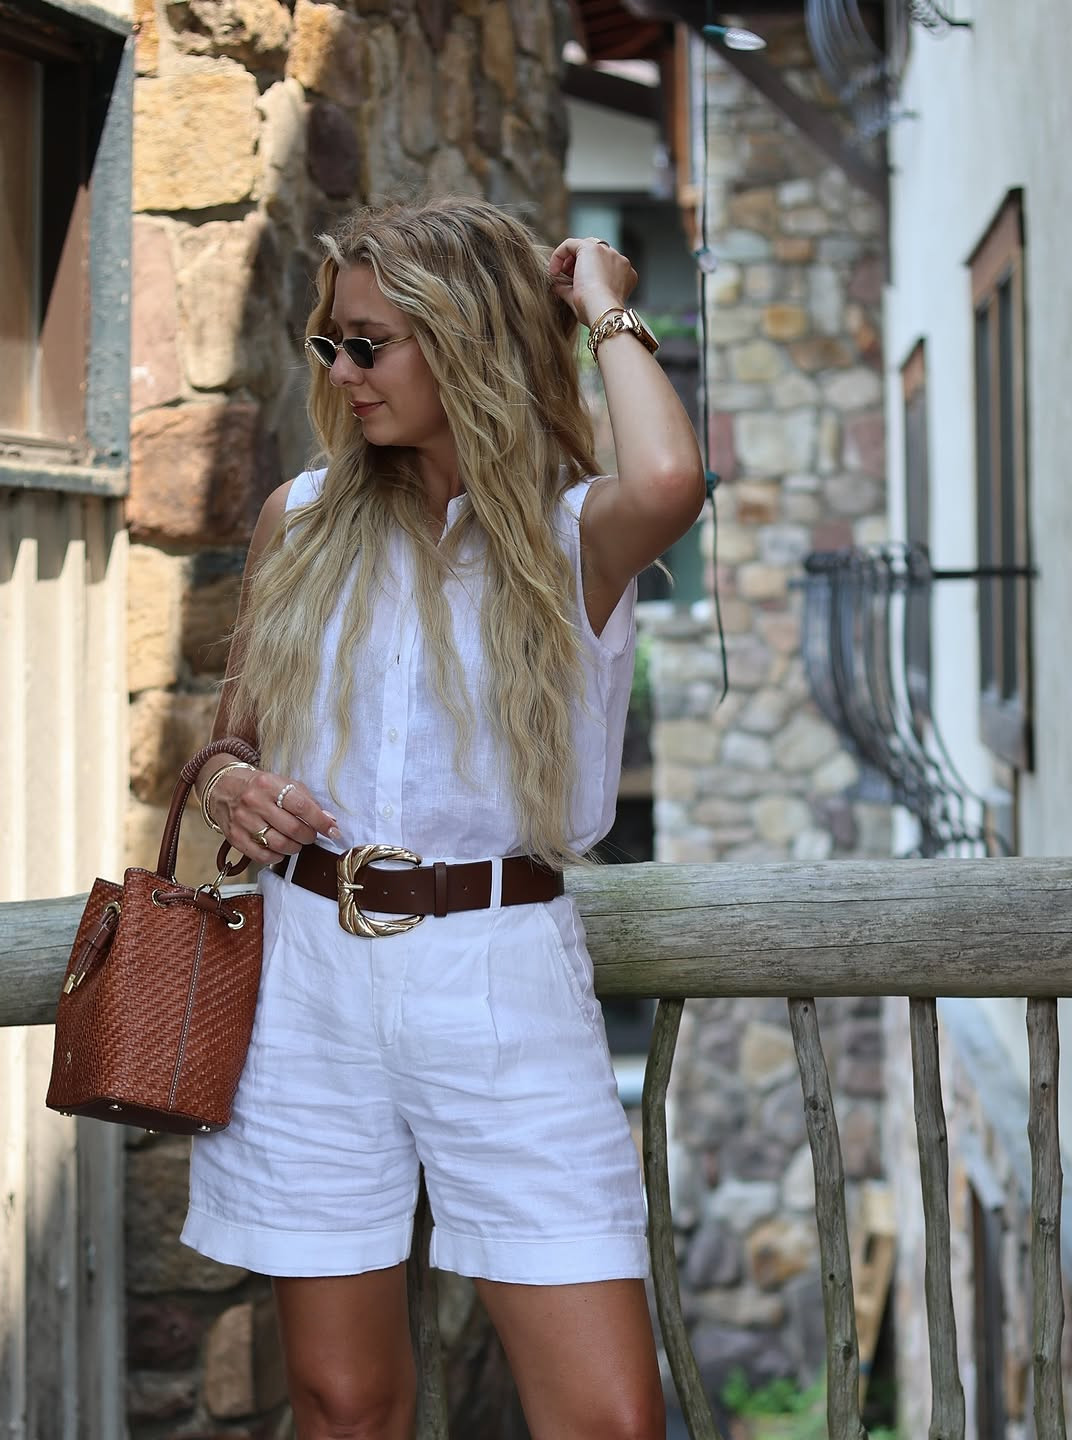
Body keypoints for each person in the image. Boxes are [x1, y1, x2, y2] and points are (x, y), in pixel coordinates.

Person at [182, 196, 705, 1440]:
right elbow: (229, 738)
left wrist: (604, 304)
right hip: (310, 973)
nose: (345, 373)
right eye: (332, 346)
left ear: (463, 340)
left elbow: (674, 475)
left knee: (608, 1418)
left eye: (372, 343)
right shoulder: (300, 520)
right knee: (344, 1401)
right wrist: (231, 788)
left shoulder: (575, 532)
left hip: (501, 972)